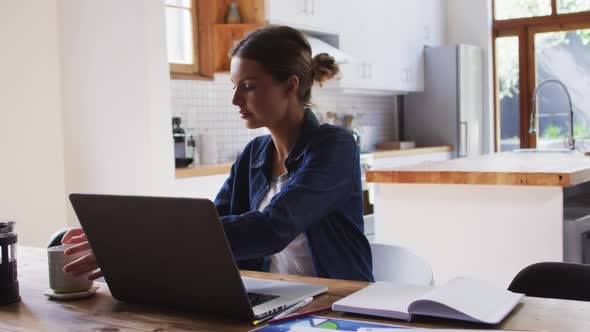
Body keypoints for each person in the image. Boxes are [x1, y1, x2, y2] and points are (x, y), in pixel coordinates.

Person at [63, 25, 374, 282]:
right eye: (234, 86)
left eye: (249, 86)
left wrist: (141, 244)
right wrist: (126, 235)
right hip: (273, 302)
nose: (236, 99)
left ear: (290, 86)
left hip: (338, 307)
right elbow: (208, 226)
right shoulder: (254, 155)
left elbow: (271, 228)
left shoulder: (335, 147)